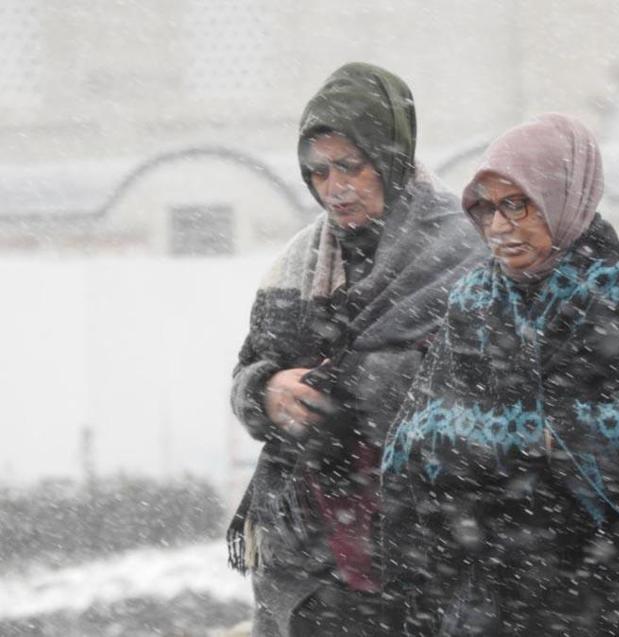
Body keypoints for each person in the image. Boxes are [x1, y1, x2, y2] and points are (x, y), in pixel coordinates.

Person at [381, 113, 619, 636]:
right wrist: (524, 440)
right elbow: (417, 434)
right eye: (484, 209)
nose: (498, 227)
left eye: (516, 204)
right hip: (490, 574)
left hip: (607, 578)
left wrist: (532, 438)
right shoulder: (475, 298)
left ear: (562, 195)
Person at [227, 62, 485, 637]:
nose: (333, 187)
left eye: (351, 165)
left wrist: (360, 387)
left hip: (427, 542)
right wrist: (267, 394)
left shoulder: (461, 251)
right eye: (317, 172)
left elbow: (478, 384)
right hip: (309, 550)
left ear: (390, 157)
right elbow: (250, 368)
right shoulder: (298, 264)